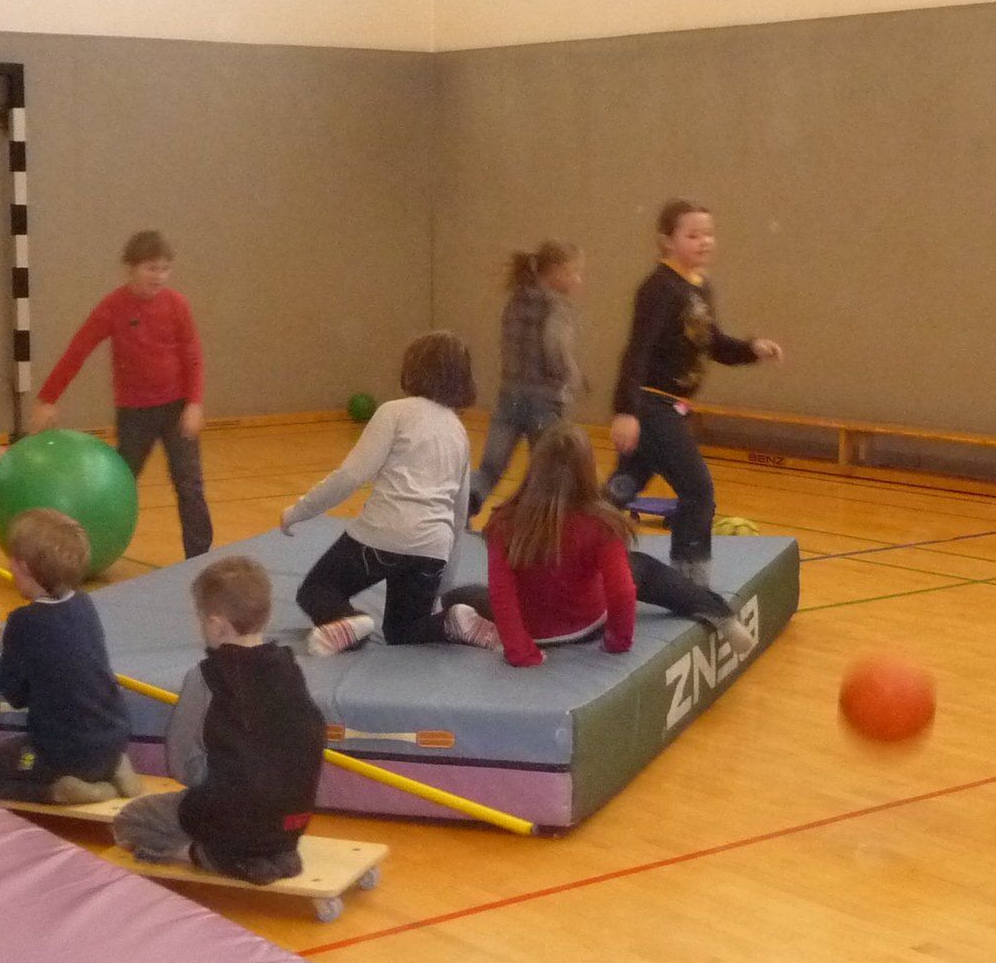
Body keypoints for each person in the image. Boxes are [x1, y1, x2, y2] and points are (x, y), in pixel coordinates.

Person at [446, 424, 755, 666]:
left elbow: (502, 594)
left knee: (459, 596)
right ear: (587, 470)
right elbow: (622, 591)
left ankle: (448, 613)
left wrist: (520, 650)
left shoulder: (503, 522)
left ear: (534, 469)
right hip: (589, 626)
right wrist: (618, 640)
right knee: (641, 567)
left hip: (535, 632)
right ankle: (720, 614)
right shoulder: (600, 522)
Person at [282, 331, 500, 655]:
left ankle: (349, 622)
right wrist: (442, 580)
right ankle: (450, 621)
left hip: (382, 535)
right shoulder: (458, 432)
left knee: (317, 590)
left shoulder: (394, 412)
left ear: (413, 368)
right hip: (432, 547)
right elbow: (458, 513)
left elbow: (351, 476)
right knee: (403, 630)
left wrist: (298, 512)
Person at [112, 556, 326, 884]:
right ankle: (271, 853)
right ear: (267, 615)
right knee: (246, 805)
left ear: (215, 624)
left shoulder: (206, 677)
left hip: (230, 819)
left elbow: (183, 766)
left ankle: (206, 855)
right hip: (292, 821)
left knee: (130, 821)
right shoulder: (289, 668)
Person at [606, 200, 781, 586]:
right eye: (693, 235)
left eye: (709, 234)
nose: (704, 242)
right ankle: (691, 581)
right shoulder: (659, 288)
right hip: (653, 406)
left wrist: (751, 349)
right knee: (698, 492)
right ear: (667, 241)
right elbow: (637, 350)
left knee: (622, 489)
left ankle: (568, 549)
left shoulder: (700, 286)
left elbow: (713, 343)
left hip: (672, 407)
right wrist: (626, 411)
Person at [31, 230, 212, 559]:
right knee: (118, 485)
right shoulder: (113, 307)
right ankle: (86, 552)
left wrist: (195, 403)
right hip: (135, 414)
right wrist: (48, 398)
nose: (159, 276)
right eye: (151, 268)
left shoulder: (177, 305)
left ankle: (199, 559)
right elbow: (78, 350)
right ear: (130, 269)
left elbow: (193, 356)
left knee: (189, 486)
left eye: (165, 269)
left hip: (176, 408)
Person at [0, 509, 141, 805]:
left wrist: (10, 645)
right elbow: (54, 639)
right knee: (74, 737)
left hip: (63, 754)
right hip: (111, 741)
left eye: (12, 561)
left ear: (24, 567)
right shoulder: (83, 604)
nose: (9, 567)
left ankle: (61, 791)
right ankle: (112, 767)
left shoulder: (23, 622)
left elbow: (15, 695)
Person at [471, 240, 584, 510]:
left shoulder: (515, 300)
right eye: (574, 272)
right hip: (545, 400)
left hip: (510, 395)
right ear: (556, 271)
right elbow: (555, 349)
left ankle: (465, 507)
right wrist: (572, 379)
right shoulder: (557, 306)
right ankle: (538, 522)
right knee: (547, 473)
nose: (578, 280)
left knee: (490, 468)